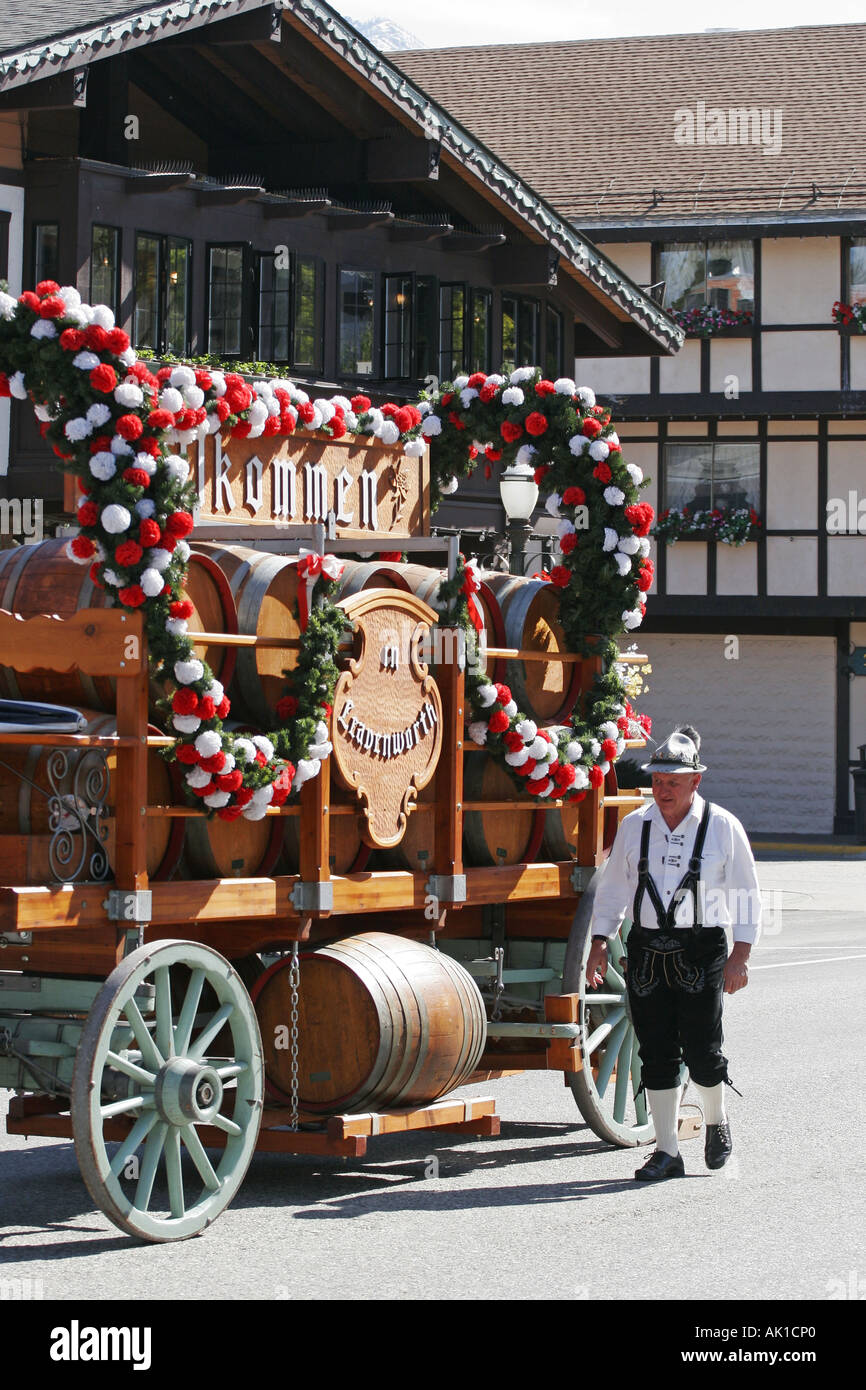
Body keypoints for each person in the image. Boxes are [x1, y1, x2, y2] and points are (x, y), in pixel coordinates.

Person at [586, 725, 760, 1181]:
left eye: (673, 782)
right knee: (656, 1051)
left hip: (701, 948)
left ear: (695, 782)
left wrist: (740, 955)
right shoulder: (634, 826)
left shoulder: (722, 826)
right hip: (644, 949)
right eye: (657, 781)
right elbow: (613, 892)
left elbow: (746, 894)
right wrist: (600, 943)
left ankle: (717, 1123)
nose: (662, 790)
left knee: (703, 1049)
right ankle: (666, 1152)